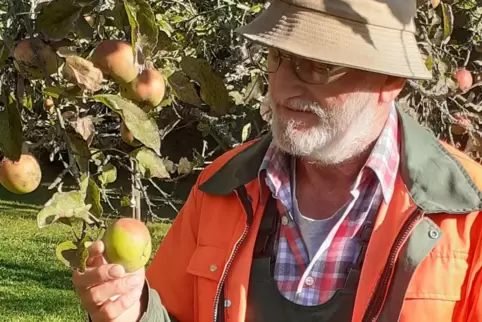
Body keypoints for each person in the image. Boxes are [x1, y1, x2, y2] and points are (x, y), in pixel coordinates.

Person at [72, 0, 482, 321]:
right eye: (278, 56)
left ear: (389, 82)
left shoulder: (469, 215)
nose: (284, 84)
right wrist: (135, 312)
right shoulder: (222, 187)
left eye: (319, 65)